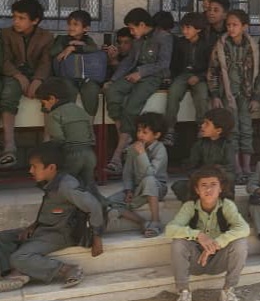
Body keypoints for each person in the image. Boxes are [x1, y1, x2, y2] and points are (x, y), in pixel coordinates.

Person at [0, 143, 103, 293]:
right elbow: (50, 211)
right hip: (44, 229)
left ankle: (67, 269)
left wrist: (97, 238)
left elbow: (94, 206)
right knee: (2, 238)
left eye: (35, 167)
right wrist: (33, 226)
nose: (30, 170)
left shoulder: (66, 185)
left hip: (60, 234)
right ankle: (9, 274)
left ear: (51, 167)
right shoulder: (50, 181)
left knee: (19, 257)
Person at [104, 8, 173, 174]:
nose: (131, 32)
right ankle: (124, 138)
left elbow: (163, 64)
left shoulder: (164, 37)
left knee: (131, 108)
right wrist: (113, 79)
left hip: (153, 77)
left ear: (142, 25)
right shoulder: (138, 39)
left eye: (132, 28)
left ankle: (118, 154)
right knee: (112, 91)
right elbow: (129, 61)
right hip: (134, 75)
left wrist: (141, 73)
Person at [166, 165, 250, 301]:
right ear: (197, 189)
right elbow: (170, 229)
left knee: (241, 243)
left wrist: (217, 243)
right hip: (195, 260)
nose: (209, 189)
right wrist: (199, 235)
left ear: (221, 188)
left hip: (219, 260)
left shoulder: (227, 205)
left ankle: (228, 290)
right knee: (178, 243)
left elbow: (244, 228)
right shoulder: (190, 206)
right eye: (204, 185)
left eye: (213, 185)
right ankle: (184, 292)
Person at [208, 10, 260, 183]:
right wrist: (215, 95)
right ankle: (236, 168)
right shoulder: (221, 45)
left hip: (246, 95)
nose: (231, 28)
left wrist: (256, 97)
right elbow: (213, 71)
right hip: (227, 95)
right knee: (232, 131)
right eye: (228, 25)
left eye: (235, 25)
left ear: (244, 26)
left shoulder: (252, 47)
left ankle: (247, 168)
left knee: (246, 130)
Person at [0, 0, 52, 167]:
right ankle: (9, 146)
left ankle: (47, 144)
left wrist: (38, 79)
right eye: (14, 17)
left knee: (50, 93)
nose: (16, 21)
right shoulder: (5, 34)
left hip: (36, 75)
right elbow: (4, 60)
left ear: (35, 20)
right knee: (8, 93)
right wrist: (18, 76)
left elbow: (46, 62)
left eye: (21, 18)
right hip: (13, 75)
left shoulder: (46, 36)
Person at [106, 113, 169, 238]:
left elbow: (151, 173)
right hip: (137, 188)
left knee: (149, 180)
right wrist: (129, 190)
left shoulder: (160, 149)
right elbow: (128, 172)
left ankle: (155, 221)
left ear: (156, 135)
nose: (140, 135)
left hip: (157, 188)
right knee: (109, 202)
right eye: (139, 131)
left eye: (145, 132)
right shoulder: (133, 148)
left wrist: (142, 154)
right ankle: (142, 222)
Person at [36, 78, 97, 188]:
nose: (43, 107)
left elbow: (58, 139)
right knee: (89, 186)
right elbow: (91, 133)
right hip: (89, 154)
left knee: (61, 185)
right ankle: (99, 199)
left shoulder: (54, 114)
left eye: (43, 103)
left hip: (71, 155)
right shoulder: (80, 110)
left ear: (52, 99)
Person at [165, 12, 212, 147]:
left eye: (188, 28)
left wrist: (199, 77)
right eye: (183, 28)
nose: (184, 31)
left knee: (202, 97)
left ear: (198, 29)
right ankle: (169, 129)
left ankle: (202, 128)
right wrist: (173, 78)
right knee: (173, 94)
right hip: (183, 75)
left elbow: (211, 67)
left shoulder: (206, 45)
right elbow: (174, 64)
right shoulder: (180, 43)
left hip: (200, 76)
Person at [171, 108, 236, 202]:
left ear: (218, 130)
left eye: (207, 124)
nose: (202, 126)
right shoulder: (199, 145)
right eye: (203, 123)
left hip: (219, 182)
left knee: (229, 179)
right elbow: (191, 166)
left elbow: (230, 168)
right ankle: (196, 206)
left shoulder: (228, 146)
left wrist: (214, 175)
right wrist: (200, 176)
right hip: (201, 180)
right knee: (179, 186)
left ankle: (222, 206)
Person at [49, 10, 102, 118]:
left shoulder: (87, 40)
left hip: (85, 77)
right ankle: (69, 121)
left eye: (75, 24)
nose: (71, 27)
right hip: (66, 77)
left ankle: (89, 124)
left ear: (85, 28)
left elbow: (94, 49)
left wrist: (75, 48)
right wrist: (67, 46)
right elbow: (52, 52)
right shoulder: (61, 39)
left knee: (91, 90)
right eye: (69, 24)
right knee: (68, 89)